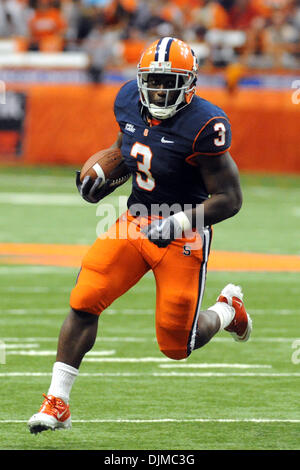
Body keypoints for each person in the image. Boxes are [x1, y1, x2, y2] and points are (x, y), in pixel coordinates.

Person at [27, 36, 252, 434]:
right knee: (84, 299)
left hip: (184, 232)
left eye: (169, 81)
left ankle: (227, 310)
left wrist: (180, 222)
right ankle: (57, 401)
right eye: (153, 80)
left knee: (176, 346)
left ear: (189, 83)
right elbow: (128, 148)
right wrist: (104, 178)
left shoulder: (205, 124)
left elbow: (230, 199)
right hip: (134, 221)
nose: (159, 89)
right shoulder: (129, 99)